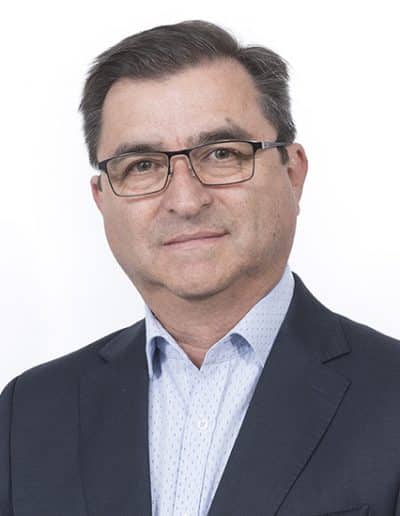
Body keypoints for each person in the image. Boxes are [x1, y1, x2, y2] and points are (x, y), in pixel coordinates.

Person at [1, 19, 399, 516]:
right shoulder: (27, 414)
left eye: (222, 154)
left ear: (293, 172)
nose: (186, 201)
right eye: (142, 165)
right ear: (102, 200)